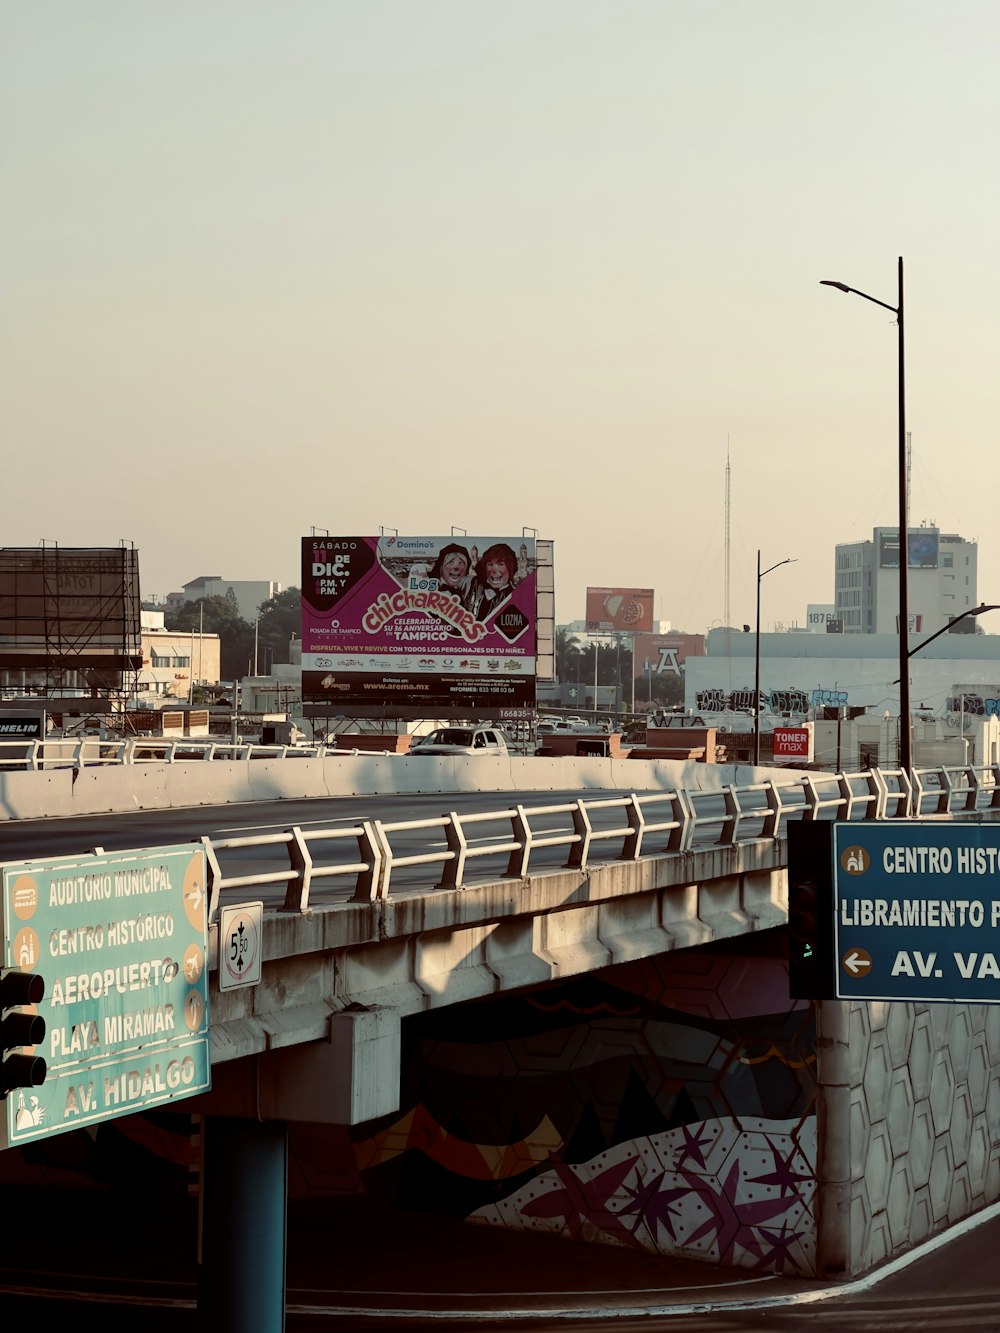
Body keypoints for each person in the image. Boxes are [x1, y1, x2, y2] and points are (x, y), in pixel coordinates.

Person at [465, 542, 519, 621]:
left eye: (500, 564)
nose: (494, 570)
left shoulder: (515, 597)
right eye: (490, 564)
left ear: (510, 568)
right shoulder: (474, 584)